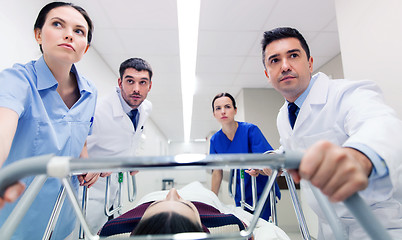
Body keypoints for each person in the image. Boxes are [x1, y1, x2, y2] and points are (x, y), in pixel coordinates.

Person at [261, 27, 402, 239]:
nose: (285, 66)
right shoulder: (284, 115)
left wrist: (358, 157)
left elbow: (381, 124)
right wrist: (276, 159)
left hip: (376, 222)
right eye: (274, 60)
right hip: (328, 225)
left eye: (293, 55)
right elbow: (296, 145)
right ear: (267, 74)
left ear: (309, 63)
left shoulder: (347, 93)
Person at [0, 2, 98, 239]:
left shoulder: (90, 93)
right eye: (57, 24)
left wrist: (87, 165)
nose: (69, 35)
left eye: (79, 31)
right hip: (16, 217)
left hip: (62, 217)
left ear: (84, 49)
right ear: (38, 35)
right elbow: (3, 126)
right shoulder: (17, 80)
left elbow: (80, 138)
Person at [84, 57, 153, 233]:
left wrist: (133, 157)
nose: (136, 89)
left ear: (149, 86)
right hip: (90, 192)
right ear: (120, 82)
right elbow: (74, 142)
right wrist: (90, 164)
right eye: (130, 81)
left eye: (142, 82)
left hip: (114, 190)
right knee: (85, 232)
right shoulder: (98, 110)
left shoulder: (146, 108)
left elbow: (137, 136)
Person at [99, 181, 290, 240]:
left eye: (154, 209)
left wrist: (155, 202)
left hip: (151, 196)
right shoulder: (227, 226)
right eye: (184, 205)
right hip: (201, 198)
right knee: (197, 185)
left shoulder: (114, 230)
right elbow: (258, 230)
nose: (173, 191)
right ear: (202, 227)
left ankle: (166, 205)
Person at [209, 92, 280, 221]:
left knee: (263, 228)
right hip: (240, 190)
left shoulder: (250, 130)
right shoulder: (215, 140)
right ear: (214, 114)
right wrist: (212, 200)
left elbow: (268, 162)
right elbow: (216, 172)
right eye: (218, 108)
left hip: (261, 189)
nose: (223, 111)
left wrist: (260, 169)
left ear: (235, 110)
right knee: (245, 227)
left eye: (227, 107)